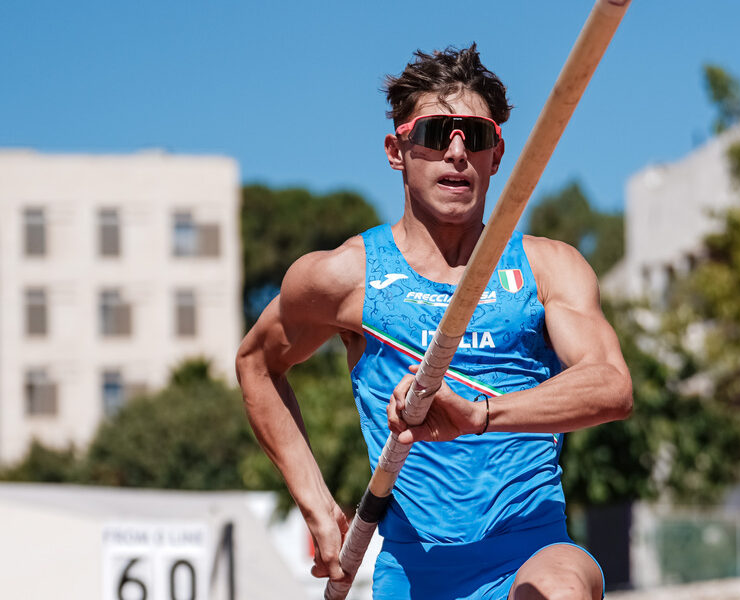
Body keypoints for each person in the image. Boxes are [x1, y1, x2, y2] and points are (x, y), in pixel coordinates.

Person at [235, 44, 633, 600]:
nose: (456, 153)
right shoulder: (345, 278)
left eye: (473, 136)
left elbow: (611, 384)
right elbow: (257, 364)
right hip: (414, 571)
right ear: (397, 151)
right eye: (434, 133)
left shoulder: (547, 268)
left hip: (532, 552)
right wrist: (319, 510)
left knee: (558, 592)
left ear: (496, 154)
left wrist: (479, 415)